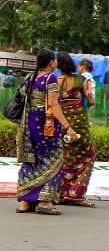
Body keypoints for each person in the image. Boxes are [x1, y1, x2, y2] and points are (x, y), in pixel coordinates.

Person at [15, 49, 78, 215]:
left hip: (29, 125)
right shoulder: (50, 78)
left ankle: (25, 202)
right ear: (51, 62)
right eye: (55, 60)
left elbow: (23, 98)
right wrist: (67, 126)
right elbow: (53, 105)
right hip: (46, 126)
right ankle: (45, 202)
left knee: (31, 161)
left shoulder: (30, 77)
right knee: (55, 160)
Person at [55, 52, 96, 207]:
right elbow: (90, 98)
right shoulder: (83, 80)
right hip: (80, 124)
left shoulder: (56, 81)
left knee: (65, 157)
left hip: (63, 123)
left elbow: (52, 103)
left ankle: (60, 193)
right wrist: (89, 101)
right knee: (87, 156)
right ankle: (76, 194)